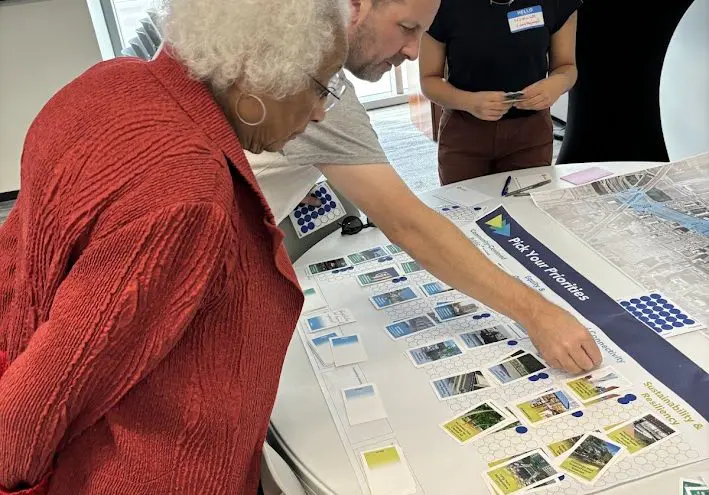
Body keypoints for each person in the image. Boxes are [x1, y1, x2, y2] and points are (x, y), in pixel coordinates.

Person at [0, 0, 348, 492]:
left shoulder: (111, 79)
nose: (318, 113)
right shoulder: (186, 192)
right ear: (256, 70)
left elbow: (15, 254)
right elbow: (43, 396)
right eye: (320, 86)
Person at [250, 0, 601, 372]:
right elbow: (409, 225)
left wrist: (288, 166)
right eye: (406, 27)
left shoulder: (268, 45)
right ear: (355, 7)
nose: (414, 51)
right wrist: (537, 314)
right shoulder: (322, 91)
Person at [418, 0, 581, 184]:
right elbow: (429, 80)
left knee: (525, 208)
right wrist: (469, 101)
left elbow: (566, 67)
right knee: (462, 208)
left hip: (530, 133)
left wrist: (555, 85)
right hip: (465, 130)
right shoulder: (442, 5)